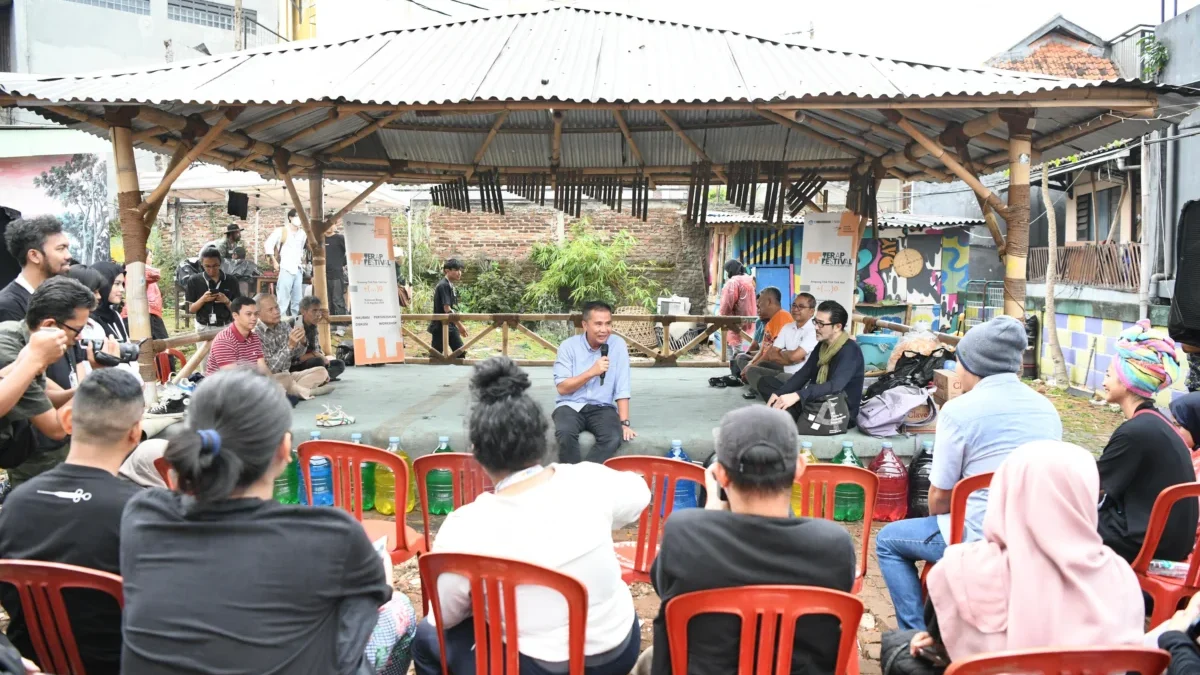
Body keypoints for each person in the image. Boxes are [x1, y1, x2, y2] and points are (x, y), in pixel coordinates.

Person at [120, 369, 414, 675]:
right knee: (398, 608)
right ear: (284, 450)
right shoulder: (331, 535)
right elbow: (364, 612)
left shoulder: (143, 517)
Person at [412, 357, 647, 675]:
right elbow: (640, 493)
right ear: (542, 437)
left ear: (475, 452)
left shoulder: (465, 526)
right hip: (618, 649)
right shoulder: (590, 480)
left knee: (427, 638)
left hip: (542, 666)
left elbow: (446, 616)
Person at [875, 314, 1062, 630]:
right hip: (1034, 534)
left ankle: (914, 635)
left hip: (976, 535)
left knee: (888, 541)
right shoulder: (1047, 409)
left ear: (972, 364)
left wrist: (941, 517)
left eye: (959, 359)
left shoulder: (959, 411)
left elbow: (940, 496)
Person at [644, 405, 855, 675]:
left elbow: (664, 589)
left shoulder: (683, 533)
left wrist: (709, 514)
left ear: (720, 474)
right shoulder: (833, 544)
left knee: (649, 661)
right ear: (800, 468)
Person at [908, 441, 1144, 664]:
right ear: (1086, 496)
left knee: (900, 646)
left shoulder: (961, 569)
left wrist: (939, 642)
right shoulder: (1121, 576)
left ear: (1005, 490)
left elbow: (943, 644)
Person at [0, 368, 146, 675]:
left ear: (67, 421)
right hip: (122, 664)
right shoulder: (142, 510)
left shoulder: (15, 503)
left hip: (30, 663)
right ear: (135, 433)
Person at [0, 277, 118, 486]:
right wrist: (99, 381)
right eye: (77, 330)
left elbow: (48, 395)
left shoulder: (21, 334)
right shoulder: (9, 349)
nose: (80, 338)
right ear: (50, 325)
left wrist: (93, 381)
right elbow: (56, 428)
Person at [1097, 319, 1197, 563]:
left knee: (1061, 520)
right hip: (1173, 541)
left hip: (1147, 540)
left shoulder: (1135, 432)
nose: (1103, 382)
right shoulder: (1158, 423)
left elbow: (1094, 483)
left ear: (1126, 379)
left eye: (1109, 374)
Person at [552, 301, 636, 464]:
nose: (604, 329)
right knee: (565, 433)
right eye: (598, 324)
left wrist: (624, 423)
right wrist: (592, 372)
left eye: (608, 324)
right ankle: (571, 480)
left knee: (613, 437)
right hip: (570, 405)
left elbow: (622, 386)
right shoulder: (568, 347)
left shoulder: (617, 345)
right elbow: (562, 388)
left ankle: (582, 477)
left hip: (602, 407)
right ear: (585, 325)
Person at [767, 300, 866, 422]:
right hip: (818, 400)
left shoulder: (850, 351)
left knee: (782, 418)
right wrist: (779, 393)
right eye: (815, 322)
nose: (816, 327)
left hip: (839, 411)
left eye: (821, 324)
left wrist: (798, 395)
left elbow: (835, 386)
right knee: (775, 403)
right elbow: (804, 374)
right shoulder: (822, 345)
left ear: (837, 327)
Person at [255, 294, 332, 399]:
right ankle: (306, 391)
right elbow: (271, 368)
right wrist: (289, 346)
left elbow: (297, 355)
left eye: (277, 307)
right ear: (258, 314)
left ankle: (293, 391)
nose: (276, 312)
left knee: (321, 371)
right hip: (274, 377)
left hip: (289, 375)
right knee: (283, 378)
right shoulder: (256, 333)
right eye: (270, 310)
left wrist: (303, 341)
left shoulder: (283, 326)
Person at [0, 216, 72, 323]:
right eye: (60, 249)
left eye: (67, 249)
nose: (69, 256)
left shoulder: (59, 299)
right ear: (34, 256)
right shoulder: (8, 306)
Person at [749, 293, 818, 402]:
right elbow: (772, 353)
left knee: (768, 381)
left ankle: (777, 395)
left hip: (801, 377)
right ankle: (778, 393)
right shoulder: (788, 327)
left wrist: (787, 354)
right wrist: (790, 358)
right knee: (753, 369)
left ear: (811, 311)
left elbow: (795, 356)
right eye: (794, 305)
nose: (796, 309)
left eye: (801, 306)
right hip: (785, 369)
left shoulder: (814, 330)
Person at [736, 287, 793, 400]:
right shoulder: (770, 321)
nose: (758, 308)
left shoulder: (783, 317)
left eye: (759, 304)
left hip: (781, 364)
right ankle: (757, 383)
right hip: (769, 360)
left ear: (769, 302)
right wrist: (751, 363)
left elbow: (772, 351)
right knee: (742, 360)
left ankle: (767, 390)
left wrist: (753, 366)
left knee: (755, 368)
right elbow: (763, 349)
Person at [205, 296, 269, 377]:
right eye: (248, 314)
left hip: (249, 383)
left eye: (256, 314)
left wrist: (275, 386)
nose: (254, 318)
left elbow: (263, 368)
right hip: (223, 387)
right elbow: (233, 379)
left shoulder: (254, 337)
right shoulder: (224, 340)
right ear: (235, 316)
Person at [264, 210, 308, 318]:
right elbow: (268, 244)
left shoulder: (303, 233)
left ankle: (296, 321)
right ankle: (280, 321)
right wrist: (274, 261)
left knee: (297, 298)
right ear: (290, 217)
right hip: (286, 267)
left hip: (298, 268)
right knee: (283, 297)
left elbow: (304, 249)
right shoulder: (281, 231)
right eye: (297, 216)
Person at [185, 246, 240, 329]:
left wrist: (227, 301)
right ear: (201, 264)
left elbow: (238, 310)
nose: (211, 269)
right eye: (207, 266)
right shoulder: (194, 281)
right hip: (203, 326)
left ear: (220, 263)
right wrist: (203, 299)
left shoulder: (231, 281)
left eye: (215, 266)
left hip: (225, 326)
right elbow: (191, 309)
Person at [293, 296, 345, 381]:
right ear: (303, 311)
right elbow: (293, 359)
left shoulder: (313, 326)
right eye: (314, 311)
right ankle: (320, 377)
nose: (318, 315)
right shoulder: (294, 326)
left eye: (319, 310)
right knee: (318, 362)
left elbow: (317, 350)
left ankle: (322, 377)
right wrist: (315, 355)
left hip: (314, 361)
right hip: (297, 365)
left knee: (339, 364)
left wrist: (322, 356)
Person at [428, 258, 467, 356]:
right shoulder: (444, 285)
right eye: (456, 270)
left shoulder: (449, 285)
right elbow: (447, 309)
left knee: (460, 353)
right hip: (441, 326)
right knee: (436, 356)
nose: (459, 273)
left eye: (460, 270)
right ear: (447, 270)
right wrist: (460, 325)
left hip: (449, 325)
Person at [718, 259, 756, 355]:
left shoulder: (733, 282)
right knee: (743, 347)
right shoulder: (749, 280)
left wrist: (721, 316)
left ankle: (735, 367)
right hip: (749, 319)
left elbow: (727, 303)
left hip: (734, 319)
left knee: (734, 349)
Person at [121, 265, 168, 340]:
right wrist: (143, 263)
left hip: (144, 312)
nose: (151, 259)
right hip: (146, 313)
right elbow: (156, 274)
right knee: (162, 346)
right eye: (150, 256)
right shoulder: (136, 267)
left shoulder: (129, 271)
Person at [90, 262, 129, 343]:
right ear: (102, 284)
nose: (122, 289)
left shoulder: (115, 315)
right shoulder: (88, 319)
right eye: (117, 284)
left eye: (122, 284)